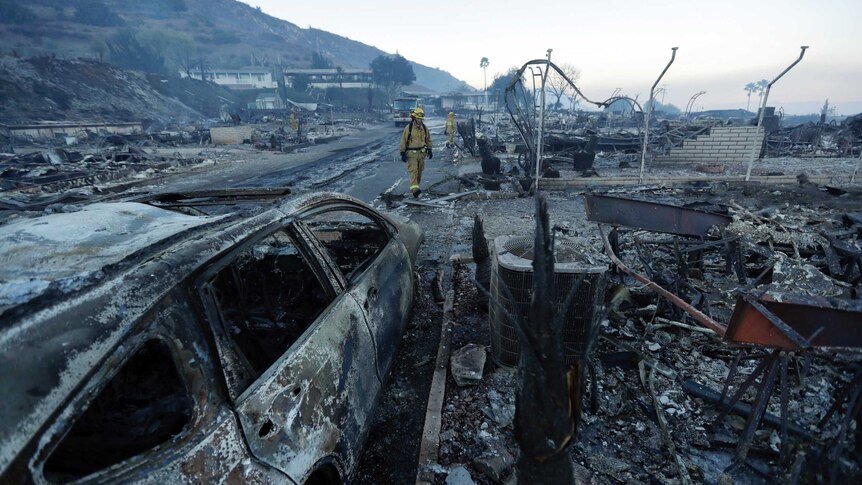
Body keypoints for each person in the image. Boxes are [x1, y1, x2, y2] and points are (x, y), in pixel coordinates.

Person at [399, 107, 432, 198]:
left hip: (421, 153)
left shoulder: (424, 128)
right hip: (411, 153)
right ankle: (415, 190)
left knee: (420, 171)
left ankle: (416, 186)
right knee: (414, 170)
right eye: (418, 118)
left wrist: (430, 149)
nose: (420, 120)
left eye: (421, 119)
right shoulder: (408, 128)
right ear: (414, 118)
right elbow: (403, 140)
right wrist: (402, 152)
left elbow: (428, 139)